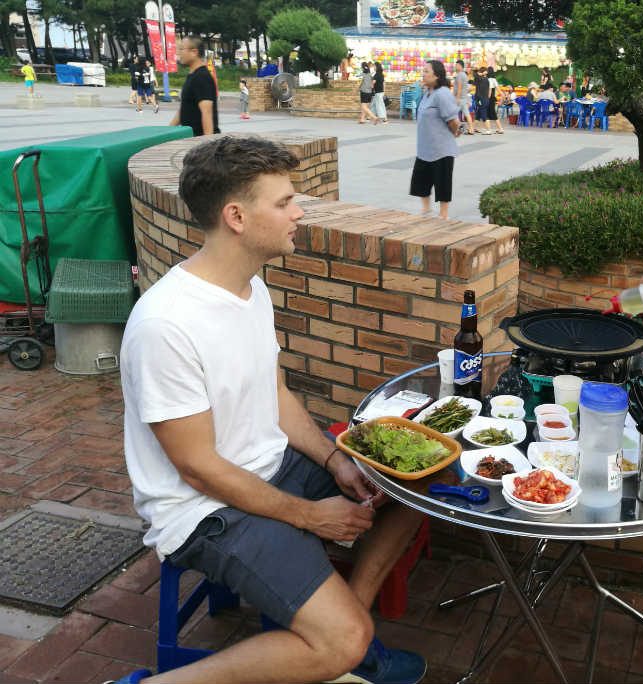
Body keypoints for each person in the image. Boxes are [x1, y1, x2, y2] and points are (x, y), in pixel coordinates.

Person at [107, 136, 427, 684]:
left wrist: (334, 462)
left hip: (270, 467)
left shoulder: (249, 287)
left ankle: (347, 631)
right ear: (236, 215)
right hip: (204, 512)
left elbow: (274, 395)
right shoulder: (166, 324)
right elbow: (197, 467)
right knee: (343, 639)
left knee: (415, 485)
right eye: (283, 202)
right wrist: (309, 516)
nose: (298, 212)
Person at [410, 60, 460, 219]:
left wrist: (456, 132)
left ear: (437, 75)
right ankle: (426, 210)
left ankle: (443, 215)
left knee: (442, 182)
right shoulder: (427, 94)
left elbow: (453, 120)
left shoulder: (443, 93)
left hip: (441, 149)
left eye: (426, 71)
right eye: (423, 71)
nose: (423, 74)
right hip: (425, 147)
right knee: (421, 180)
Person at [170, 36, 220, 136]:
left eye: (181, 49)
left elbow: (207, 112)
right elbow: (184, 108)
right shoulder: (192, 75)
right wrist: (167, 131)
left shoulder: (202, 77)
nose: (179, 53)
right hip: (191, 139)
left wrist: (207, 144)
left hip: (200, 141)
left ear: (194, 52)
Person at [452, 59, 475, 135]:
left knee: (454, 113)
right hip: (464, 98)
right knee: (466, 114)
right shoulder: (464, 75)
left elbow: (459, 87)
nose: (455, 66)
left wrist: (457, 98)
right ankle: (471, 129)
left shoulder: (460, 75)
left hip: (460, 98)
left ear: (460, 66)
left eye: (456, 65)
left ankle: (457, 128)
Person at [473, 66, 492, 135]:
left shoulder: (481, 79)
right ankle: (473, 129)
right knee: (478, 115)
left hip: (481, 99)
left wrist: (478, 72)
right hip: (485, 99)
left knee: (484, 115)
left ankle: (488, 130)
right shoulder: (486, 79)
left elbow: (475, 76)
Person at [486, 66, 505, 134]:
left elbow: (490, 90)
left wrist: (486, 99)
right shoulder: (494, 79)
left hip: (489, 99)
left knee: (487, 114)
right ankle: (500, 129)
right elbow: (499, 91)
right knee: (493, 114)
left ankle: (489, 130)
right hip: (493, 99)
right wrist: (502, 98)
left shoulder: (489, 80)